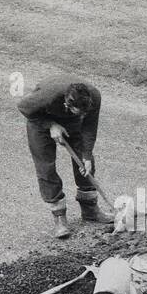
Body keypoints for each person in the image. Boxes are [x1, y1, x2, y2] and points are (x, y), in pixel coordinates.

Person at [17, 75, 114, 238]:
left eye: (84, 112)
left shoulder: (94, 96)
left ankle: (90, 210)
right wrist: (51, 125)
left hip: (71, 122)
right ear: (66, 104)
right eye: (78, 112)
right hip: (40, 120)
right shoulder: (48, 96)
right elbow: (23, 107)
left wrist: (87, 155)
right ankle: (59, 218)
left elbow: (89, 127)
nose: (83, 114)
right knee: (45, 167)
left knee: (85, 164)